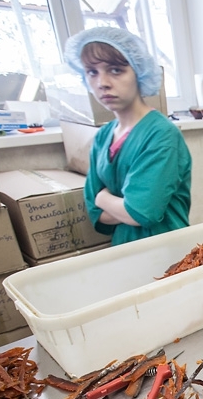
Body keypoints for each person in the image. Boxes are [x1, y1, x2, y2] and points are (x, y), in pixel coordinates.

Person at [64, 27, 192, 246]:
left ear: (138, 72)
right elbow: (95, 213)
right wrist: (120, 207)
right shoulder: (104, 135)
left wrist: (103, 197)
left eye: (115, 70)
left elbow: (141, 213)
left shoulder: (161, 134)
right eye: (92, 72)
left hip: (165, 249)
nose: (102, 82)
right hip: (124, 249)